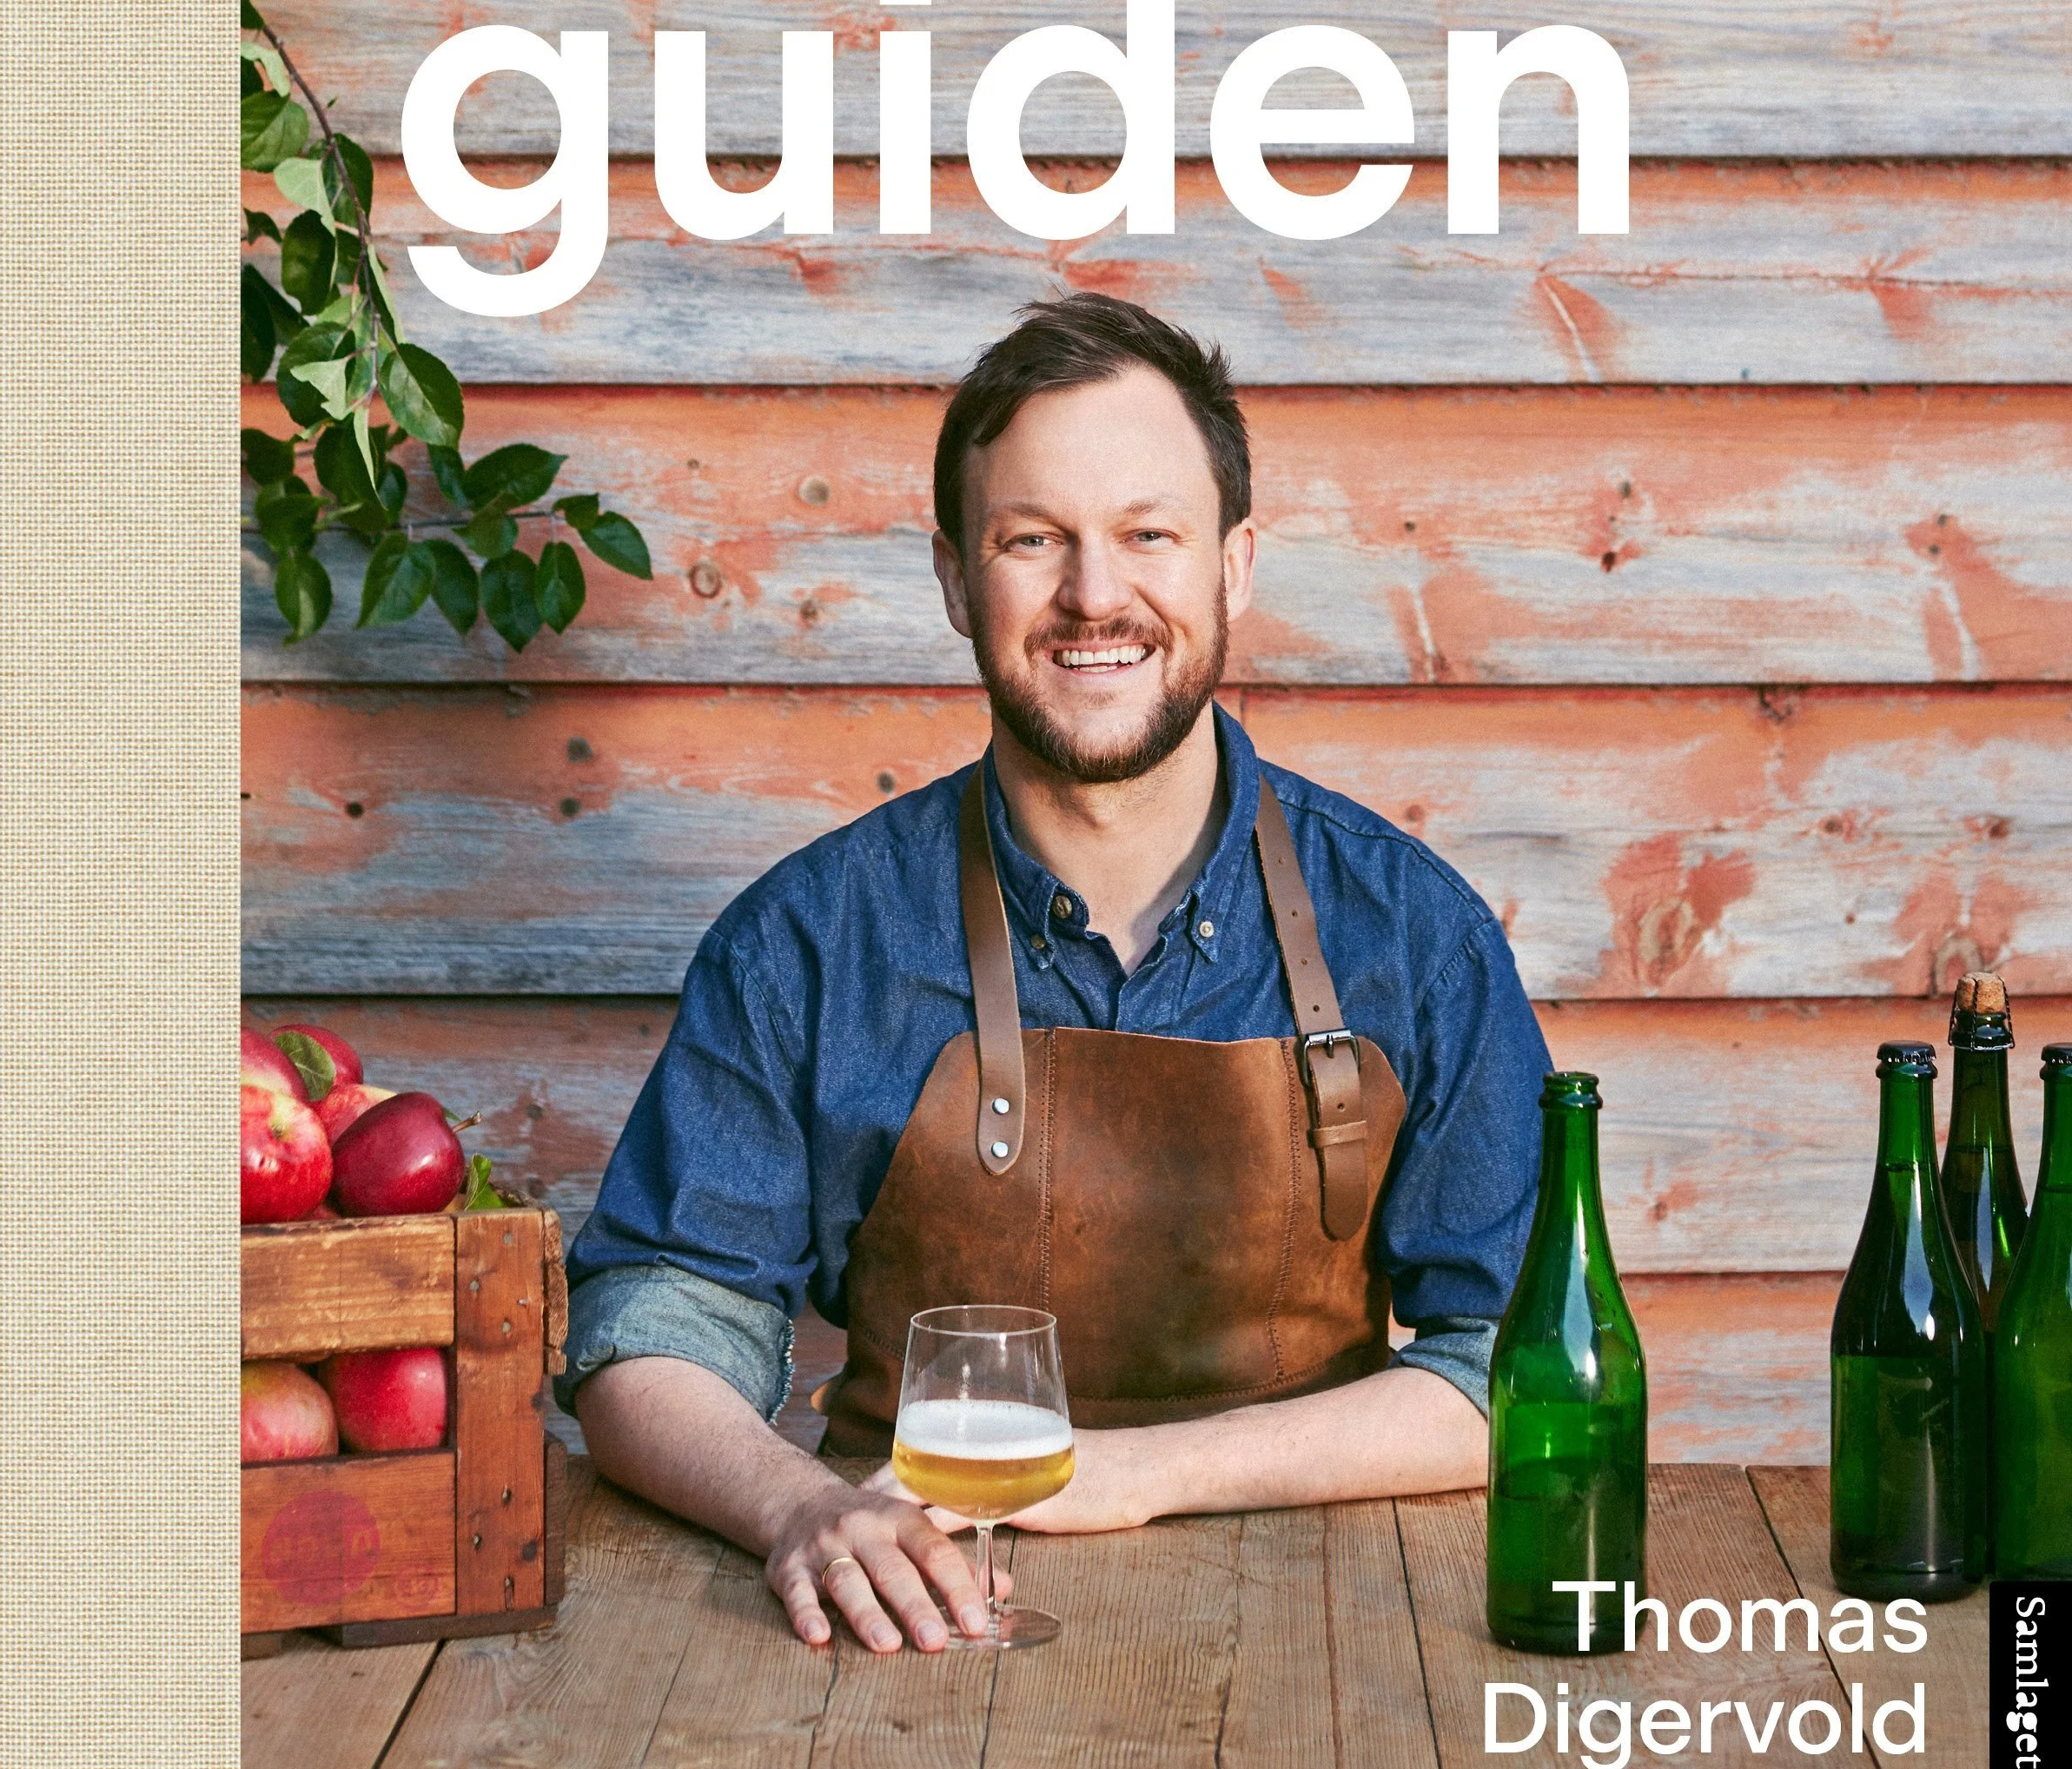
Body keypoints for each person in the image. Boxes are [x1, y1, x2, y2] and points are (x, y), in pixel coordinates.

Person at [562, 294, 1549, 1653]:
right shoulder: (808, 939)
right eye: (1036, 539)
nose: (1096, 594)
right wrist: (799, 1507)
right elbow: (650, 1324)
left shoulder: (1416, 934)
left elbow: (1516, 1365)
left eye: (1150, 534)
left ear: (1234, 567)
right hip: (908, 1624)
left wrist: (1133, 1476)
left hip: (1338, 1650)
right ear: (959, 577)